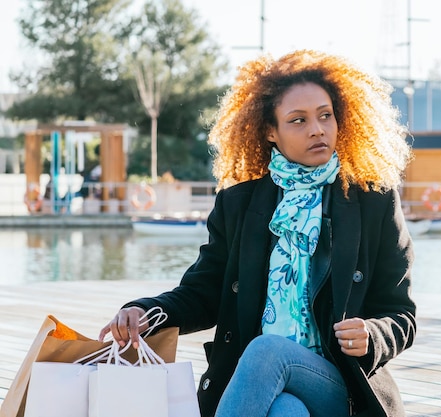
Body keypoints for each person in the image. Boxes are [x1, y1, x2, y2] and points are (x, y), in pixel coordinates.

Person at [99, 49, 416, 417]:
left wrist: (373, 336)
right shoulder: (239, 205)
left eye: (325, 115)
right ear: (270, 131)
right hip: (261, 383)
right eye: (298, 120)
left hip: (341, 387)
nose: (317, 129)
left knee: (268, 350)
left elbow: (400, 314)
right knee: (286, 411)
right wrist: (146, 311)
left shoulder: (371, 200)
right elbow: (204, 292)